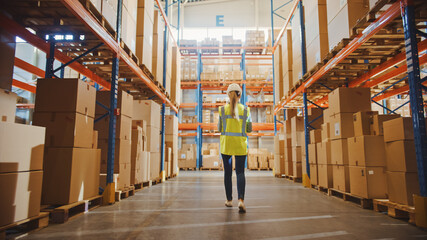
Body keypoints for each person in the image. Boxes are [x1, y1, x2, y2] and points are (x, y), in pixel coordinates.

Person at [218, 83, 252, 213]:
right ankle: (241, 201)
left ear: (228, 94)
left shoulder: (222, 110)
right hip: (240, 145)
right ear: (240, 95)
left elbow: (219, 128)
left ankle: (229, 200)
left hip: (226, 145)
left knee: (227, 173)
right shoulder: (246, 110)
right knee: (240, 172)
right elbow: (249, 128)